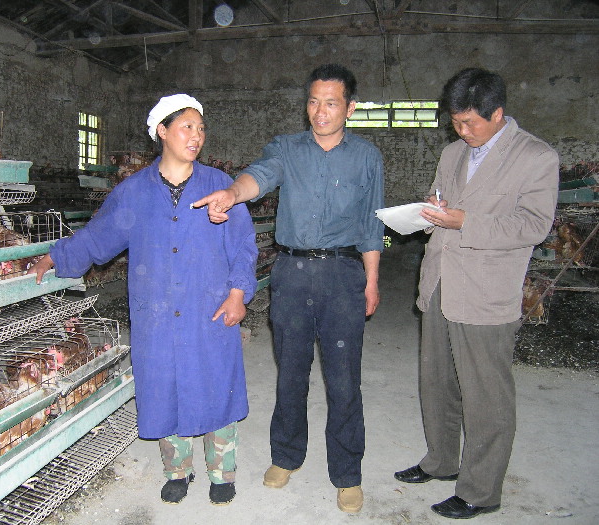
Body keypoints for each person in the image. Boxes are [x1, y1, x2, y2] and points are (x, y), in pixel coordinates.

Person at [28, 94, 258, 506]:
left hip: (210, 306)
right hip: (157, 312)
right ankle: (177, 470)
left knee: (215, 383)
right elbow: (99, 237)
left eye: (201, 128)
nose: (197, 136)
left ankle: (222, 472)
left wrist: (238, 293)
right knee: (164, 384)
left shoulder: (219, 187)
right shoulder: (133, 192)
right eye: (187, 127)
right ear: (162, 132)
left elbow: (243, 244)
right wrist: (57, 256)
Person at [193, 64, 384, 514]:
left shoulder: (366, 157)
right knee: (291, 372)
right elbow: (258, 175)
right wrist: (232, 194)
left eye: (331, 103)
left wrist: (372, 280)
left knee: (344, 379)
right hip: (293, 272)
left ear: (350, 108)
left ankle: (347, 474)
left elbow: (372, 224)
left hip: (343, 274)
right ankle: (286, 456)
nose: (320, 111)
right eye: (313, 101)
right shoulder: (287, 148)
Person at [394, 68, 559, 519]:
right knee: (437, 381)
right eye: (455, 123)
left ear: (497, 113)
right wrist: (431, 211)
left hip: (486, 292)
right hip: (440, 281)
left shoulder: (535, 156)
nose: (462, 132)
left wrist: (465, 221)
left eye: (469, 123)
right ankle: (441, 461)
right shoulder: (452, 153)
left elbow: (533, 225)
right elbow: (439, 199)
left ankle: (481, 491)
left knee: (486, 396)